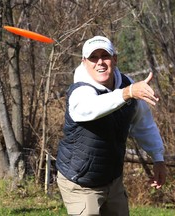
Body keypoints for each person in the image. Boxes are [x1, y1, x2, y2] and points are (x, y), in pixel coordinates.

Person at [56, 35, 166, 216]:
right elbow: (88, 109)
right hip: (81, 182)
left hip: (112, 180)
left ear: (114, 59)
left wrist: (158, 157)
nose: (100, 62)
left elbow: (144, 124)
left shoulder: (127, 84)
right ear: (84, 62)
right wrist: (127, 93)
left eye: (105, 56)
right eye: (93, 57)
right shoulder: (80, 90)